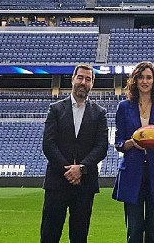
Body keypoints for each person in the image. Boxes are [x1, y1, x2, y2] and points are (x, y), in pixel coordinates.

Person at [113, 61, 154, 243]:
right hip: (132, 174)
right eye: (141, 77)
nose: (144, 81)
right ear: (134, 81)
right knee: (134, 230)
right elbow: (118, 142)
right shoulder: (124, 106)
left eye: (148, 77)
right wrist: (131, 143)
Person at [40, 64, 109, 243]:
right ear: (72, 79)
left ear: (92, 84)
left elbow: (101, 147)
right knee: (49, 235)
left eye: (88, 79)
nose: (83, 82)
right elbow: (48, 144)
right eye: (80, 77)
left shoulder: (99, 113)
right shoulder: (55, 109)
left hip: (85, 185)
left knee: (79, 237)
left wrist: (82, 168)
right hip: (57, 182)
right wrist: (69, 170)